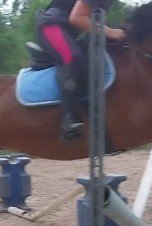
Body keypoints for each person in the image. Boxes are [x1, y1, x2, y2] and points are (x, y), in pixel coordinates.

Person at [35, 0, 126, 141]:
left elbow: (94, 23)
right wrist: (111, 32)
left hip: (69, 33)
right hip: (51, 27)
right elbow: (76, 18)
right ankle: (67, 121)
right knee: (72, 57)